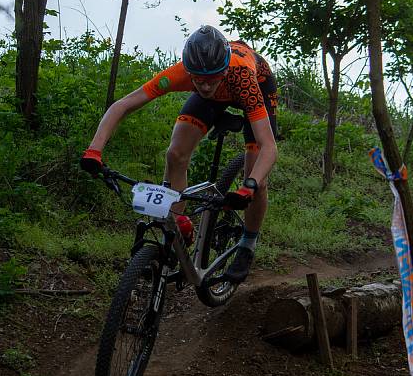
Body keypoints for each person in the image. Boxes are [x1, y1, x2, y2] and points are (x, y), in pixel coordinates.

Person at [81, 25, 278, 283]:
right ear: (189, 71)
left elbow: (269, 147)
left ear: (223, 70)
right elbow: (124, 105)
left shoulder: (241, 76)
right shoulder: (182, 73)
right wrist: (94, 150)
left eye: (211, 80)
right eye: (198, 80)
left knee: (257, 179)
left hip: (256, 87)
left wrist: (249, 186)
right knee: (175, 154)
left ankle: (247, 244)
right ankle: (180, 222)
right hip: (221, 87)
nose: (205, 87)